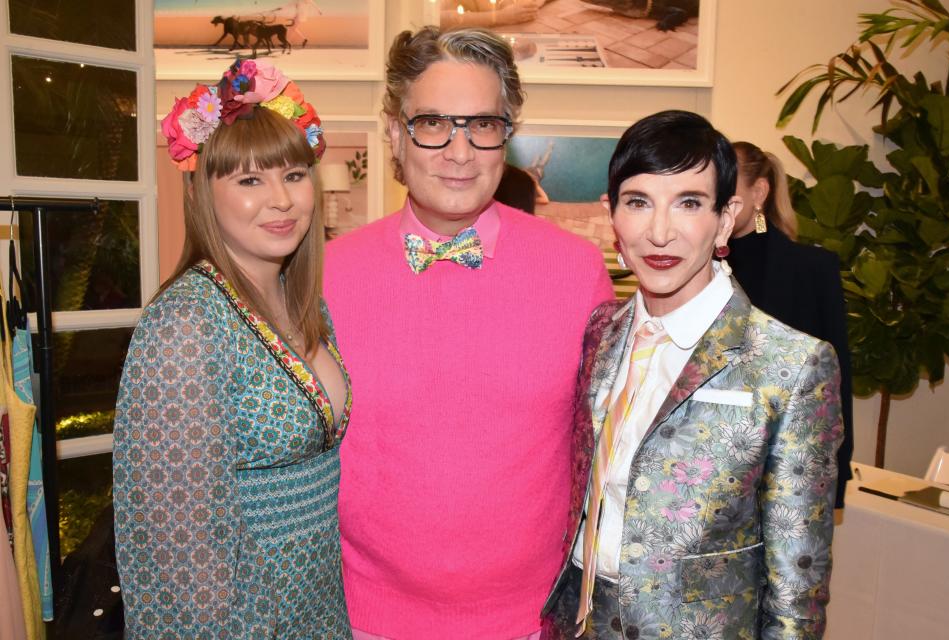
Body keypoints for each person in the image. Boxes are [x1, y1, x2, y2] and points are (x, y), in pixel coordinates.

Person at [323, 26, 613, 640]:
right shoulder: (326, 274)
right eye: (433, 123)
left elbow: (605, 453)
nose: (460, 151)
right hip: (365, 620)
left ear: (507, 137)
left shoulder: (576, 270)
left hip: (532, 621)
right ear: (395, 134)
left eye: (482, 125)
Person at [542, 111, 843, 639]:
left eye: (688, 203)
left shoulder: (790, 365)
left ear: (725, 220)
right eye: (639, 202)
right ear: (611, 214)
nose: (660, 232)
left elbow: (798, 583)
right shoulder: (600, 333)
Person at [113, 59, 352, 638]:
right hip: (243, 620)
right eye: (249, 181)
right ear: (202, 193)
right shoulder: (185, 325)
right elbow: (181, 549)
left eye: (294, 175)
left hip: (317, 606)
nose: (282, 200)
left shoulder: (307, 305)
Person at [730, 141, 854, 508]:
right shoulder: (693, 267)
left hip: (786, 465)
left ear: (759, 192)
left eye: (726, 188)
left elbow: (836, 378)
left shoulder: (812, 269)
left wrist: (837, 467)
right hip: (707, 470)